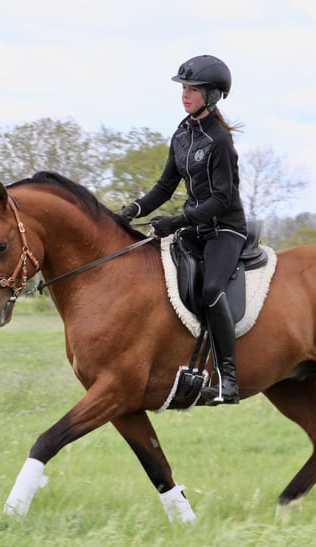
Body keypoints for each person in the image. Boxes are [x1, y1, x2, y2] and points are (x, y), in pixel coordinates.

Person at [118, 54, 248, 406]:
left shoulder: (219, 140)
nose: (185, 94)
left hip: (225, 230)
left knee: (210, 290)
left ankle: (228, 380)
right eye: (184, 88)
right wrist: (132, 210)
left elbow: (222, 200)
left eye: (193, 89)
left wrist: (176, 222)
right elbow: (164, 188)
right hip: (195, 228)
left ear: (212, 95)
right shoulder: (182, 132)